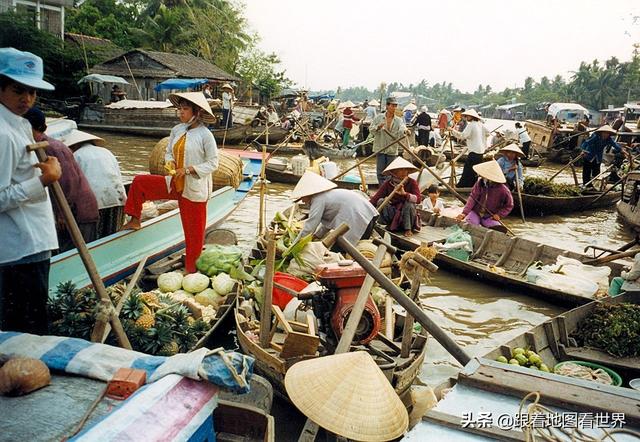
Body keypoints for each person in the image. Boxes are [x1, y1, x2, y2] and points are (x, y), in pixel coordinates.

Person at [121, 92, 218, 273]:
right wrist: (169, 162)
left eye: (185, 109)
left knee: (193, 235)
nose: (181, 112)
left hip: (194, 188)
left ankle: (192, 271)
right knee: (140, 182)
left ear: (196, 111)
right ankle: (134, 219)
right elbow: (169, 152)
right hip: (174, 182)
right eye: (179, 109)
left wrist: (188, 170)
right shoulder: (177, 130)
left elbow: (213, 163)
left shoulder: (206, 135)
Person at [0, 47, 60, 334]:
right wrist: (42, 182)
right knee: (26, 335)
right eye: (17, 90)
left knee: (30, 330)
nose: (27, 99)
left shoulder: (19, 124)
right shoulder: (2, 133)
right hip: (20, 248)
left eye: (32, 92)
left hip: (32, 244)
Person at [24, 108, 99, 251]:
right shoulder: (41, 146)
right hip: (70, 210)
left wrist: (63, 213)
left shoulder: (51, 147)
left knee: (74, 255)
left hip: (76, 211)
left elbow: (68, 182)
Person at [64, 130, 127, 239]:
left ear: (75, 145)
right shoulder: (107, 152)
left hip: (94, 202)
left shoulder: (76, 155)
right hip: (117, 197)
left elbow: (73, 184)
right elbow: (117, 175)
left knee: (94, 237)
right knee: (112, 235)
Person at [291, 171, 378, 247]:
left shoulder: (318, 199)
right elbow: (327, 224)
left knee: (340, 250)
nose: (302, 200)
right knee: (355, 250)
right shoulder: (326, 195)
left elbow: (311, 225)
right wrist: (317, 236)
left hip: (359, 219)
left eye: (302, 197)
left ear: (308, 193)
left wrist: (295, 244)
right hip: (369, 216)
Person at [369, 157, 422, 237]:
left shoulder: (412, 182)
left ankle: (408, 229)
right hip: (393, 213)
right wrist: (366, 208)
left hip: (408, 214)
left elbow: (418, 199)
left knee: (409, 204)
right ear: (394, 172)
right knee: (381, 201)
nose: (404, 172)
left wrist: (405, 194)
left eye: (405, 169)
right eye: (401, 170)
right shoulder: (388, 183)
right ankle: (388, 224)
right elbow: (375, 199)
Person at [455, 160, 514, 228]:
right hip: (476, 212)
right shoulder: (479, 184)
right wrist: (464, 213)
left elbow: (509, 205)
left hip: (490, 216)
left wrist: (499, 215)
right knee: (472, 224)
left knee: (496, 227)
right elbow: (472, 199)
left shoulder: (503, 190)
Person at [370, 97, 407, 184]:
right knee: (380, 173)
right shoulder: (379, 118)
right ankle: (382, 189)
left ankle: (388, 190)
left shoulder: (398, 120)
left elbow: (402, 128)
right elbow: (371, 129)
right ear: (387, 106)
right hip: (381, 148)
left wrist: (406, 130)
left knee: (390, 173)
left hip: (392, 150)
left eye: (395, 106)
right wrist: (377, 128)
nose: (394, 108)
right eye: (392, 105)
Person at [450, 109, 490, 187]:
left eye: (468, 116)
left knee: (467, 170)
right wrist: (479, 138)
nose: (466, 117)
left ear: (472, 117)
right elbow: (488, 133)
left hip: (474, 152)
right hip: (480, 152)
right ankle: (472, 186)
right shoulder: (480, 124)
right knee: (475, 171)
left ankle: (461, 186)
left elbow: (462, 136)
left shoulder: (471, 125)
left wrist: (452, 131)